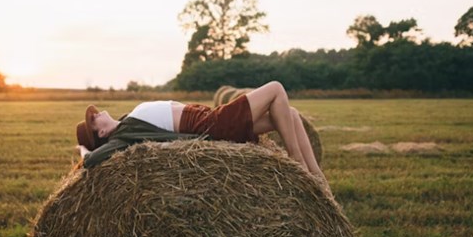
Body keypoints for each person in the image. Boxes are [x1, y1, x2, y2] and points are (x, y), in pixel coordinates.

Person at [76, 81, 324, 178]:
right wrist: (84, 150)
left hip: (208, 117)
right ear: (102, 134)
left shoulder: (126, 119)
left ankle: (316, 175)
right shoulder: (123, 135)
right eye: (93, 121)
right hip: (211, 125)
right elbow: (92, 160)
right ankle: (298, 163)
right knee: (276, 89)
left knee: (289, 115)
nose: (96, 114)